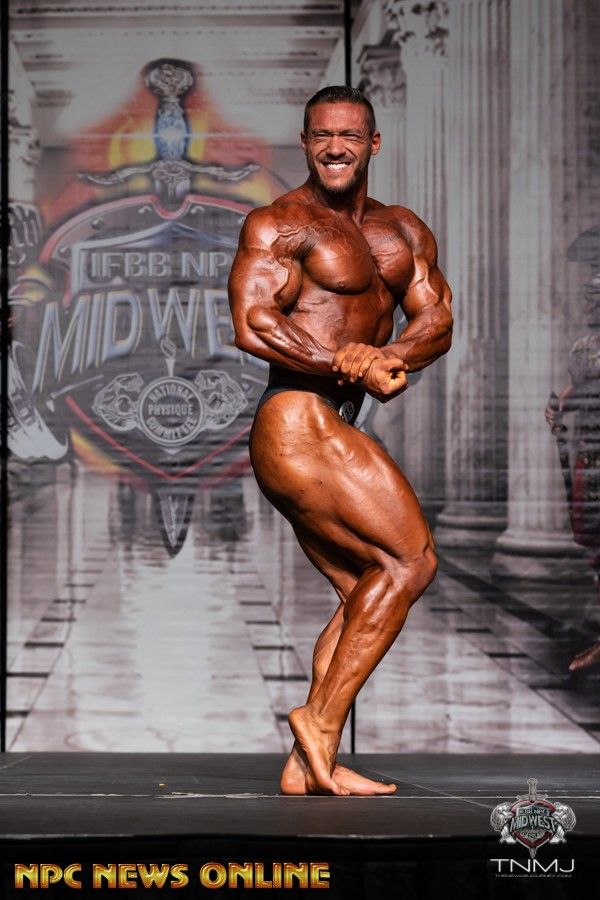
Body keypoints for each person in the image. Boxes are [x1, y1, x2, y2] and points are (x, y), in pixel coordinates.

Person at [228, 86, 452, 795]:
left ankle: (305, 767)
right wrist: (343, 362)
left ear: (372, 144)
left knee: (367, 590)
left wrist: (388, 356)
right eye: (321, 135)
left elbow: (437, 319)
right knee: (411, 561)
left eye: (349, 135)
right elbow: (254, 322)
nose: (335, 147)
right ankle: (318, 724)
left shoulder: (403, 230)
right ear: (304, 142)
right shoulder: (280, 224)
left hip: (333, 422)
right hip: (296, 419)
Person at [545, 272, 600, 671]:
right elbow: (577, 392)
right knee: (595, 545)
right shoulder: (583, 348)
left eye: (594, 297)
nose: (588, 304)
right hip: (590, 454)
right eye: (587, 296)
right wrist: (558, 407)